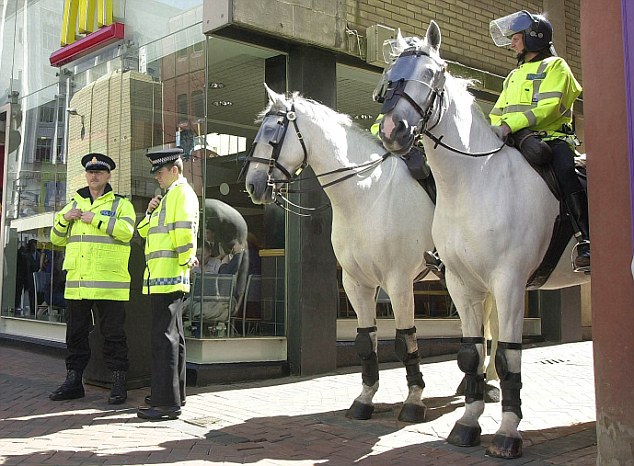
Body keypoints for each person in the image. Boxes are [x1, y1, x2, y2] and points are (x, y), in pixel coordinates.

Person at [489, 10, 589, 272]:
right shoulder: (513, 75)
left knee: (567, 173)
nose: (511, 43)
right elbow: (497, 112)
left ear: (534, 38)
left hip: (551, 140)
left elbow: (550, 107)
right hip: (512, 141)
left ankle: (586, 241)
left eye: (516, 38)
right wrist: (493, 129)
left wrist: (512, 125)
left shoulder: (557, 67)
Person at [49, 153, 135, 404]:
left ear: (108, 176)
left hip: (110, 284)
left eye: (99, 172)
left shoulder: (121, 205)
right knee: (75, 336)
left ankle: (119, 383)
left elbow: (127, 232)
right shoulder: (72, 205)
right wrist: (65, 219)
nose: (93, 176)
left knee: (114, 336)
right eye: (90, 172)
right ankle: (74, 381)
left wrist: (95, 219)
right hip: (78, 284)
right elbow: (55, 238)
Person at [136, 148, 199, 421]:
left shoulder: (181, 194)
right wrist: (150, 211)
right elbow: (143, 231)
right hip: (166, 276)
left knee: (165, 340)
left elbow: (183, 230)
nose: (157, 178)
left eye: (160, 172)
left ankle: (165, 403)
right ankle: (175, 395)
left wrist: (187, 259)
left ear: (175, 169)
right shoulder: (169, 196)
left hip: (168, 275)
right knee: (174, 338)